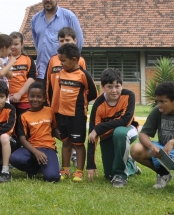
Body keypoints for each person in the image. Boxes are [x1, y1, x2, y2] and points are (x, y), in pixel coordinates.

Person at [50, 43, 97, 182]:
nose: (61, 63)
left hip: (77, 116)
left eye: (63, 61)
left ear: (74, 59)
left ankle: (79, 172)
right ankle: (65, 170)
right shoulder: (61, 73)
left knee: (78, 144)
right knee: (65, 142)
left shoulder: (83, 75)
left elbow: (93, 93)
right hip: (62, 114)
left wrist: (81, 103)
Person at [87, 68, 138, 187]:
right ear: (103, 87)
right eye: (109, 87)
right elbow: (92, 135)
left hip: (128, 130)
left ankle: (120, 175)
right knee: (109, 174)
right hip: (107, 136)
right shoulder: (98, 104)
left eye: (117, 86)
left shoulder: (129, 95)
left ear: (122, 86)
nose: (114, 90)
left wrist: (99, 128)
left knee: (120, 133)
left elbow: (125, 121)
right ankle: (131, 164)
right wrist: (90, 164)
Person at [30, 0, 83, 80]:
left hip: (62, 72)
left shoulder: (69, 17)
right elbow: (37, 45)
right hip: (41, 73)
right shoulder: (35, 19)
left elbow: (78, 44)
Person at [10, 82, 61, 182]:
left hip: (48, 148)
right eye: (32, 96)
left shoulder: (50, 111)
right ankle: (34, 169)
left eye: (39, 96)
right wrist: (36, 152)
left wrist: (66, 140)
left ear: (44, 98)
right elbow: (22, 139)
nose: (35, 99)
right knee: (14, 158)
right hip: (31, 148)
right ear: (28, 97)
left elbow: (54, 129)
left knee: (52, 177)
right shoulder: (23, 116)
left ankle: (52, 161)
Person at [44, 27, 86, 102]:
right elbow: (47, 83)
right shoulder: (53, 60)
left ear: (75, 41)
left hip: (73, 105)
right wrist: (47, 102)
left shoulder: (80, 61)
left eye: (67, 40)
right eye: (61, 41)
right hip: (55, 103)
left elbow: (85, 85)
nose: (64, 43)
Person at [7, 32, 36, 116]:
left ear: (22, 44)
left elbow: (31, 78)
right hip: (7, 100)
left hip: (24, 100)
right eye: (11, 44)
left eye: (16, 44)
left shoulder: (28, 59)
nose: (13, 47)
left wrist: (19, 94)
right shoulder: (4, 59)